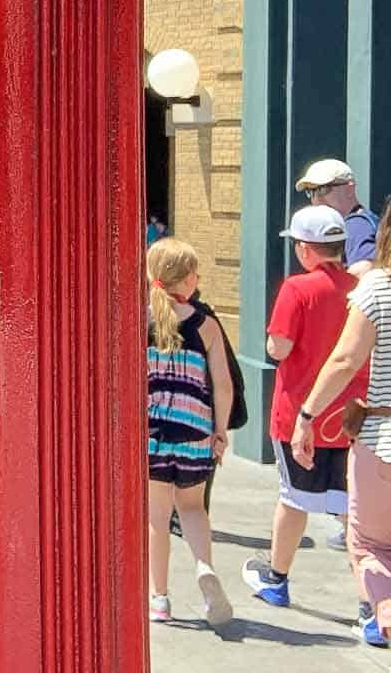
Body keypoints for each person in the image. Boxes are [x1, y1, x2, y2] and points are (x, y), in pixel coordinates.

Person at [292, 199, 391, 673]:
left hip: (381, 442)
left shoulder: (375, 288)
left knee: (370, 545)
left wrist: (306, 415)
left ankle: (388, 618)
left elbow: (346, 357)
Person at [243, 205, 365, 608]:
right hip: (351, 415)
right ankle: (370, 603)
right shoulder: (360, 289)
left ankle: (277, 579)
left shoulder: (296, 289)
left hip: (300, 412)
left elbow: (279, 347)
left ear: (305, 249)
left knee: (294, 498)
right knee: (353, 511)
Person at [147, 238, 234, 626]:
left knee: (157, 518)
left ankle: (160, 599)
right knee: (194, 508)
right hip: (195, 431)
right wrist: (219, 431)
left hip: (151, 434)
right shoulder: (208, 324)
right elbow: (223, 383)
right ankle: (203, 566)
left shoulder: (141, 317)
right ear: (187, 279)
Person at [295, 159, 378, 274]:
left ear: (349, 189)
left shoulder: (357, 224)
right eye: (311, 191)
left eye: (323, 189)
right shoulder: (357, 222)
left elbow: (365, 267)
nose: (316, 199)